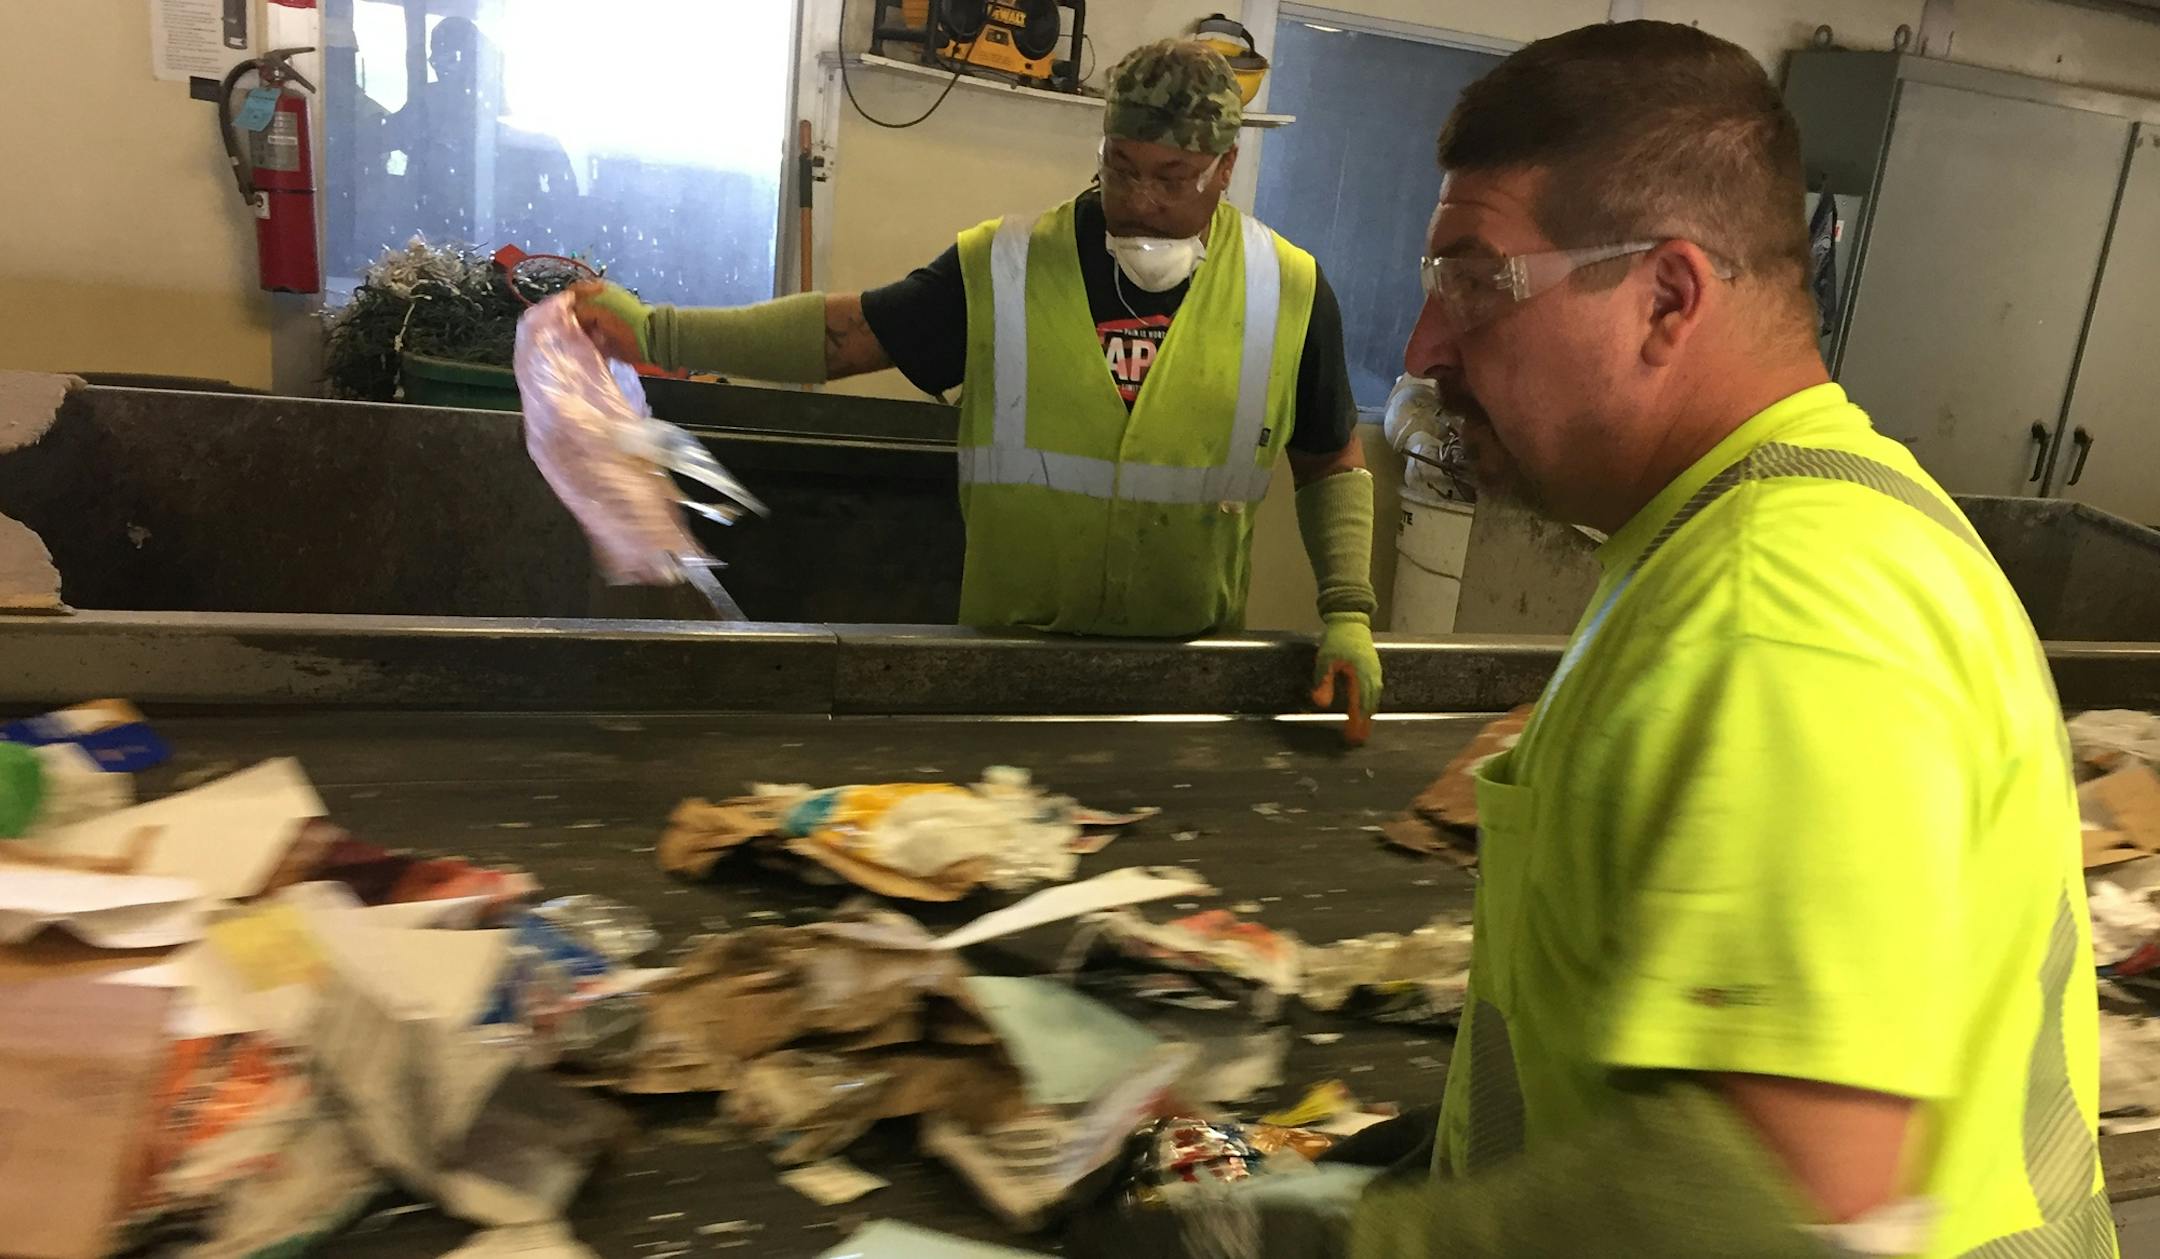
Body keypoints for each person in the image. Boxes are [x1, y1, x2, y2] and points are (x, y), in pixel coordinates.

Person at [1076, 21, 2112, 1259]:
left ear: (1667, 297)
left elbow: (1768, 1199)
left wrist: (1337, 1245)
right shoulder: (1785, 526)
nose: (1423, 347)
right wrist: (1426, 1160)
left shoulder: (1786, 608)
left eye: (1474, 279)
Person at [574, 40, 1382, 743]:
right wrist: (659, 333)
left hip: (1184, 684)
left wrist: (1348, 610)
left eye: (1174, 177)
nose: (1141, 201)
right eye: (1122, 168)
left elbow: (1329, 458)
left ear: (1226, 168)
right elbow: (847, 335)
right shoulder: (1010, 265)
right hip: (1005, 669)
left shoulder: (1289, 291)